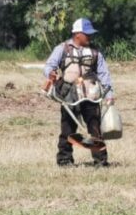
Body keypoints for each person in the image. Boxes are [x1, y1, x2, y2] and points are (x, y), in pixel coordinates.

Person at [43, 18, 115, 167]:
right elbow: (49, 66)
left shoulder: (95, 52)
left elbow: (104, 74)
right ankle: (64, 160)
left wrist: (109, 94)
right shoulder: (62, 49)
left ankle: (101, 161)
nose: (90, 37)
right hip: (69, 95)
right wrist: (50, 73)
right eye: (87, 34)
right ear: (77, 34)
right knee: (67, 129)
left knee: (95, 129)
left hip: (91, 95)